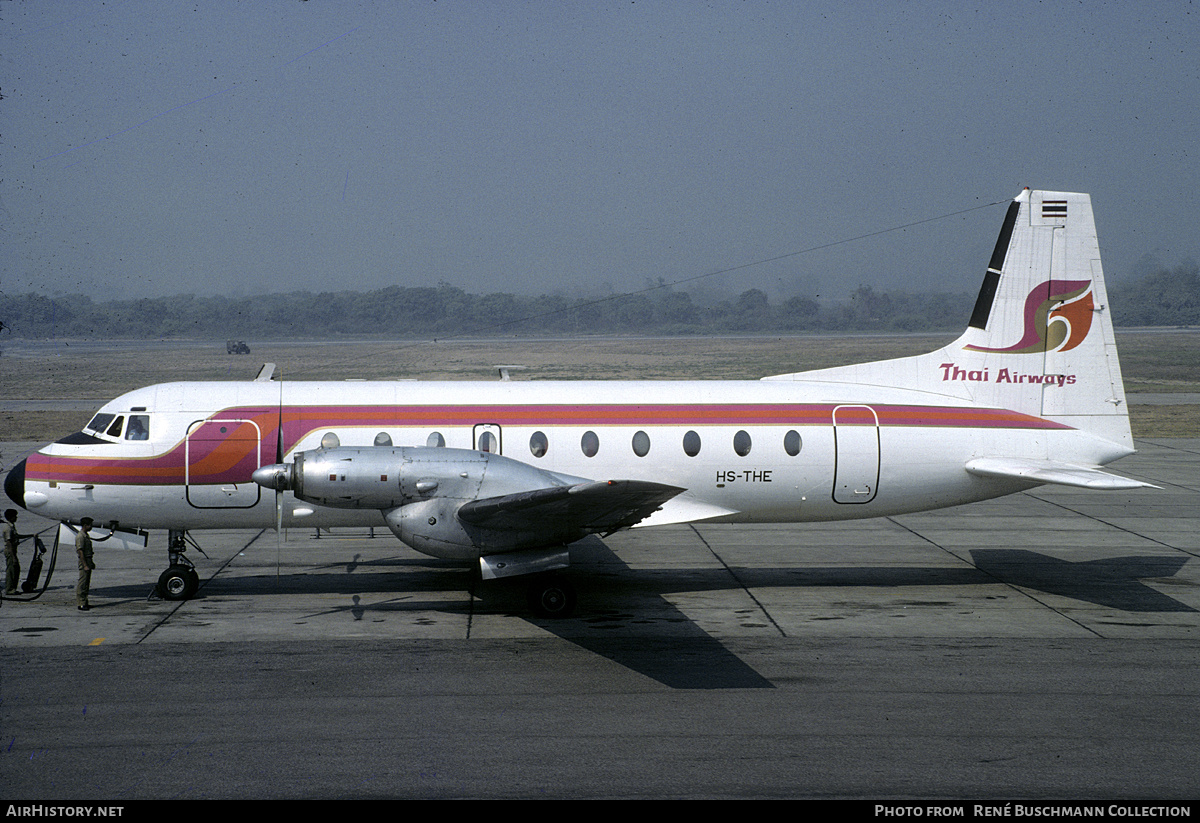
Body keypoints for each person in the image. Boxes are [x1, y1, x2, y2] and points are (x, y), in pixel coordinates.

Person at [76, 517, 95, 611]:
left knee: (86, 583)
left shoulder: (85, 535)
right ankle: (81, 603)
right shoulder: (80, 536)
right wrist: (85, 565)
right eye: (89, 525)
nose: (91, 527)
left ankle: (85, 602)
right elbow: (80, 551)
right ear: (85, 525)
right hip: (84, 561)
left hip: (88, 560)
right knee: (82, 583)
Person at [3, 509, 20, 596]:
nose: (16, 518)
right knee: (11, 570)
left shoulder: (12, 526)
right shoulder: (8, 528)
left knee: (16, 569)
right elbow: (9, 543)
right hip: (10, 551)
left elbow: (17, 536)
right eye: (15, 516)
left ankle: (13, 588)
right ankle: (9, 589)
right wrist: (13, 557)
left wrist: (32, 535)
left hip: (13, 551)